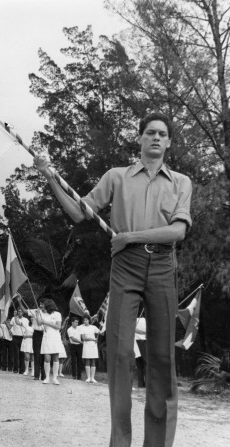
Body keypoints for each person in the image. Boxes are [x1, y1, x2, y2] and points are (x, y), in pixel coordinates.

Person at [35, 112, 192, 447]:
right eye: (149, 132)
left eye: (161, 134)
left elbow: (177, 231)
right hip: (125, 267)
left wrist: (131, 236)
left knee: (162, 358)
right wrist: (50, 178)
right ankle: (119, 442)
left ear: (169, 142)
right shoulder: (117, 177)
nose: (155, 138)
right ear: (139, 138)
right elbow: (80, 211)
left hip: (163, 266)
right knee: (120, 356)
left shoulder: (181, 182)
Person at [38, 299, 62, 385]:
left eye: (44, 305)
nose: (42, 306)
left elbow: (58, 326)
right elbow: (39, 323)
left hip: (55, 337)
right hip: (47, 337)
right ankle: (47, 377)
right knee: (47, 358)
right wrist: (38, 314)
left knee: (55, 357)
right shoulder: (43, 314)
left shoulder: (57, 314)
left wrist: (47, 323)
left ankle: (55, 378)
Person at [79, 315, 100, 383]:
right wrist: (91, 338)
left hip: (93, 345)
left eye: (86, 320)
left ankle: (92, 378)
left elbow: (99, 333)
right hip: (86, 345)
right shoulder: (82, 328)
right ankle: (88, 377)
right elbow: (83, 338)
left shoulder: (93, 327)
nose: (85, 321)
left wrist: (96, 339)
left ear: (89, 320)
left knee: (93, 361)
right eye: (84, 320)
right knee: (87, 360)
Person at [10, 307, 27, 374]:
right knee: (16, 354)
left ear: (23, 312)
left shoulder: (25, 319)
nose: (19, 312)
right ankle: (15, 369)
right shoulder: (13, 318)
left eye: (21, 311)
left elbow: (26, 328)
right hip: (15, 337)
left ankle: (22, 369)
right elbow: (10, 326)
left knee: (22, 354)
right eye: (18, 311)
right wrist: (11, 332)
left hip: (22, 337)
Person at [135, 316, 147, 388]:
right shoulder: (146, 320)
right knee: (146, 363)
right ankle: (147, 383)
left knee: (139, 365)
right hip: (143, 342)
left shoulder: (134, 320)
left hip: (135, 342)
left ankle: (140, 384)